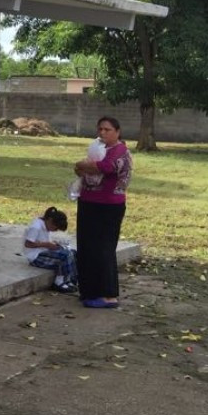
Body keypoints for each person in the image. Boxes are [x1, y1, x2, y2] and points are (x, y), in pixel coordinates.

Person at [73, 116, 133, 309]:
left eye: (107, 129)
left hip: (109, 206)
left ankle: (108, 295)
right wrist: (83, 166)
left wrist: (84, 165)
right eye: (100, 129)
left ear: (117, 131)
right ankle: (90, 291)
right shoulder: (98, 149)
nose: (103, 133)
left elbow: (107, 167)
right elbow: (80, 169)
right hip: (88, 202)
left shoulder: (120, 150)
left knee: (103, 249)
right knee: (87, 247)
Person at [23, 206, 77, 294]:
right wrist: (47, 244)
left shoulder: (46, 225)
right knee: (66, 255)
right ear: (50, 220)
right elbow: (28, 244)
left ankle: (71, 279)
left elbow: (43, 240)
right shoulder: (36, 227)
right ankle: (59, 281)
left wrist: (53, 244)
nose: (55, 230)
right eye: (55, 228)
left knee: (72, 252)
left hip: (44, 251)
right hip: (35, 256)